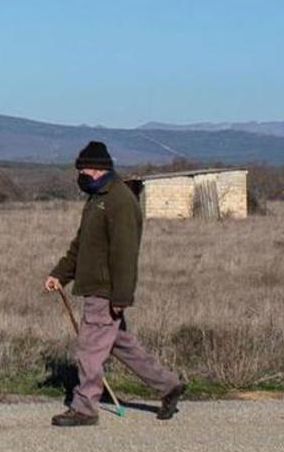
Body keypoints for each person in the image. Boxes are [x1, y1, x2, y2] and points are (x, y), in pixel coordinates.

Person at [44, 141, 186, 427]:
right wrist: (60, 274)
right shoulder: (97, 199)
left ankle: (84, 407)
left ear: (97, 169)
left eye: (82, 168)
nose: (80, 174)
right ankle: (169, 385)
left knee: (89, 350)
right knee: (122, 346)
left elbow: (125, 254)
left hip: (106, 291)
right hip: (95, 288)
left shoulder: (120, 202)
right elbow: (81, 244)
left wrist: (121, 296)